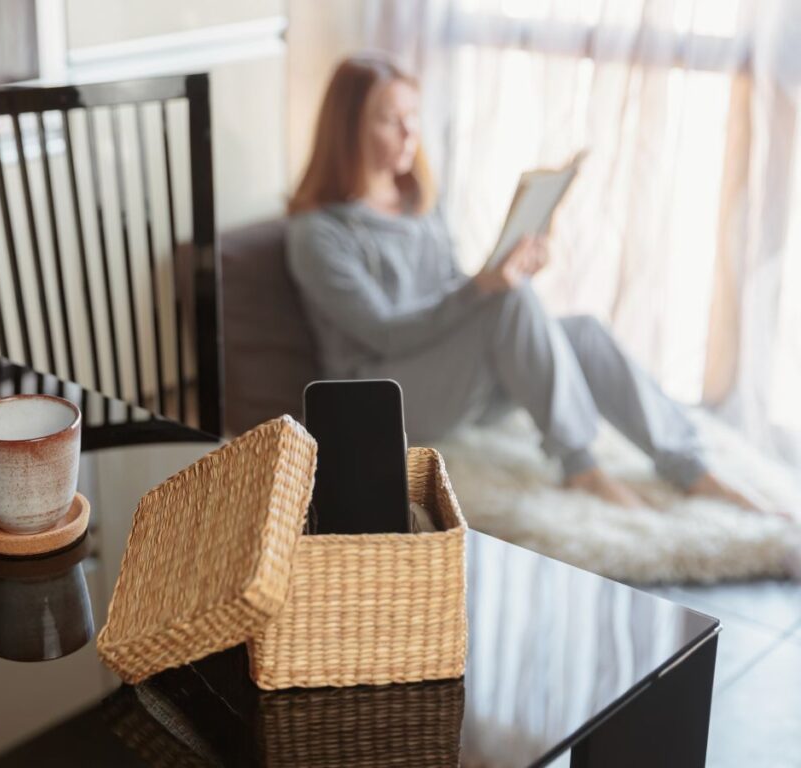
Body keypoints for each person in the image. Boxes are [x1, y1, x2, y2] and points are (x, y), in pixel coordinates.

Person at [285, 53, 765, 512]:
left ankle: (690, 466)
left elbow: (450, 291)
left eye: (414, 115)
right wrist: (484, 289)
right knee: (504, 304)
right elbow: (384, 333)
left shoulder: (419, 201)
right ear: (348, 130)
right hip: (379, 398)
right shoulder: (318, 232)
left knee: (582, 333)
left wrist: (506, 271)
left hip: (450, 381)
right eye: (392, 120)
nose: (412, 132)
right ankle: (582, 467)